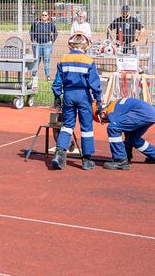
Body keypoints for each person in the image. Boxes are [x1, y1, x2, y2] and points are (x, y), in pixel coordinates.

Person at [51, 33, 102, 171]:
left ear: (71, 44)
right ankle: (86, 160)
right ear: (85, 45)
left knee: (67, 125)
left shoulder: (63, 59)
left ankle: (59, 154)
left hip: (68, 95)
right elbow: (95, 84)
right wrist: (98, 100)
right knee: (86, 128)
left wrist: (57, 97)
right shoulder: (88, 61)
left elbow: (57, 82)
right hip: (84, 96)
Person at [93, 98, 155, 170]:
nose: (106, 122)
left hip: (142, 113)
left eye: (103, 121)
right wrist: (127, 154)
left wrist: (123, 156)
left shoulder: (111, 112)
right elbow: (126, 129)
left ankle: (120, 160)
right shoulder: (115, 105)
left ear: (102, 113)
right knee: (133, 138)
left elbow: (116, 127)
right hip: (149, 112)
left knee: (113, 127)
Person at [30, 11, 58, 80]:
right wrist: (33, 41)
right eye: (42, 15)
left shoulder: (51, 24)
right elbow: (31, 32)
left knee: (46, 60)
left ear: (48, 16)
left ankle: (48, 76)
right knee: (36, 60)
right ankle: (34, 76)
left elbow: (55, 33)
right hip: (38, 44)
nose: (44, 16)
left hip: (47, 45)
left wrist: (52, 41)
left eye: (45, 15)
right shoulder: (36, 23)